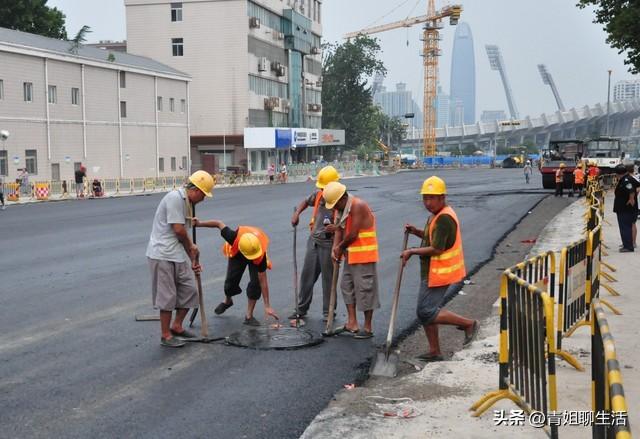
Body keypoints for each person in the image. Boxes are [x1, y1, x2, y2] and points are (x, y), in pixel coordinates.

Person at [401, 176, 478, 361]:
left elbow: (437, 248)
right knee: (427, 312)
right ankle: (434, 351)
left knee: (426, 312)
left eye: (432, 198)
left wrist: (411, 251)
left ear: (442, 197)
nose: (428, 202)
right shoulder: (437, 215)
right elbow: (432, 238)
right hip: (432, 271)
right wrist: (416, 231)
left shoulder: (444, 218)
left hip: (439, 272)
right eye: (425, 198)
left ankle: (469, 324)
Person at [146, 170, 214, 347]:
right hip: (162, 254)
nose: (204, 199)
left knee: (190, 290)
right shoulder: (175, 198)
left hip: (175, 252)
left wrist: (193, 259)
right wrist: (191, 246)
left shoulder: (188, 204)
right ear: (196, 190)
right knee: (167, 297)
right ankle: (165, 335)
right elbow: (178, 230)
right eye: (204, 195)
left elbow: (183, 236)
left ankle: (177, 326)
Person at [322, 181, 380, 339]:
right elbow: (339, 230)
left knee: (365, 291)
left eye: (335, 204)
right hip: (350, 256)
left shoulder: (357, 205)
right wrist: (336, 251)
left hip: (364, 256)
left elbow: (353, 234)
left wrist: (340, 247)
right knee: (346, 287)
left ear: (342, 198)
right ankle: (352, 323)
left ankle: (367, 328)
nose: (334, 208)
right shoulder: (341, 209)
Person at [194, 220, 279, 326]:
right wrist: (199, 223)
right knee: (231, 281)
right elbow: (218, 224)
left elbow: (263, 280)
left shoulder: (259, 253)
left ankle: (249, 316)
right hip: (238, 253)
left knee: (256, 283)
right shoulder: (232, 236)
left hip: (254, 252)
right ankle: (227, 301)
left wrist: (267, 305)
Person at [289, 165, 341, 322]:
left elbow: (347, 224)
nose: (323, 191)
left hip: (329, 244)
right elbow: (305, 202)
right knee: (307, 277)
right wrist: (297, 213)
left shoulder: (341, 200)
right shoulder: (318, 195)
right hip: (314, 242)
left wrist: (337, 230)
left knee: (328, 280)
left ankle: (329, 312)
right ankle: (301, 309)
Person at [613, 164, 637, 253]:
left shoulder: (626, 180)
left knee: (625, 227)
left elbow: (631, 190)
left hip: (625, 208)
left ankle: (628, 246)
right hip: (622, 208)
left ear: (619, 173)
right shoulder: (625, 179)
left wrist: (631, 199)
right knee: (625, 227)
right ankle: (627, 244)